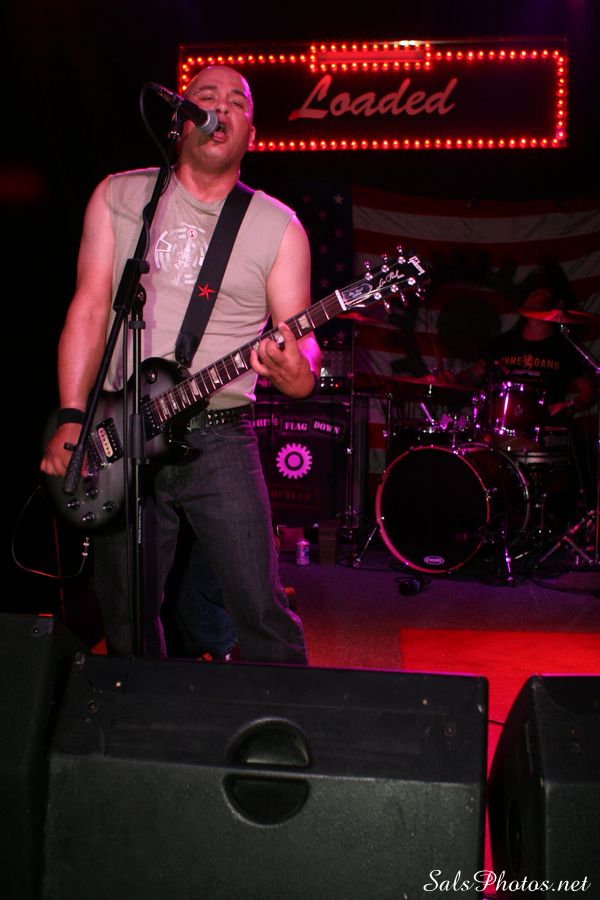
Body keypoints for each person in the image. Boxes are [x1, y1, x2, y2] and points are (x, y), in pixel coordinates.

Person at [40, 65, 321, 662]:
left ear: (252, 133)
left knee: (259, 606)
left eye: (237, 102)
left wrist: (296, 370)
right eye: (205, 97)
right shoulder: (119, 196)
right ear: (179, 118)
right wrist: (71, 416)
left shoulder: (278, 226)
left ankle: (293, 712)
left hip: (220, 434)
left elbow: (301, 342)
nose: (220, 108)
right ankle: (138, 714)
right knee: (127, 615)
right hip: (120, 433)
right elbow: (88, 310)